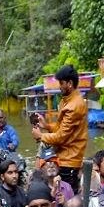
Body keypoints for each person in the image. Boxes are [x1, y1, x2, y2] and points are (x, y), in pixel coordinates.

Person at [32, 65, 88, 194]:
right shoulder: (67, 101)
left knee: (66, 197)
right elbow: (61, 129)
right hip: (63, 158)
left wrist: (41, 136)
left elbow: (62, 137)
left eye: (61, 83)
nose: (59, 86)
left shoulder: (74, 105)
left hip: (69, 161)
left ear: (69, 83)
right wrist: (46, 126)